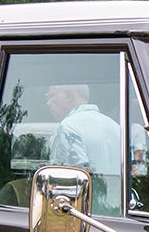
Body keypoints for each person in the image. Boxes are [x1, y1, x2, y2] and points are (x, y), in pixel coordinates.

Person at [46, 83, 122, 211]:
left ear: (68, 95)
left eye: (51, 96)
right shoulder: (116, 127)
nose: (48, 103)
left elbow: (76, 180)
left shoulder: (68, 128)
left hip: (85, 215)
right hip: (117, 213)